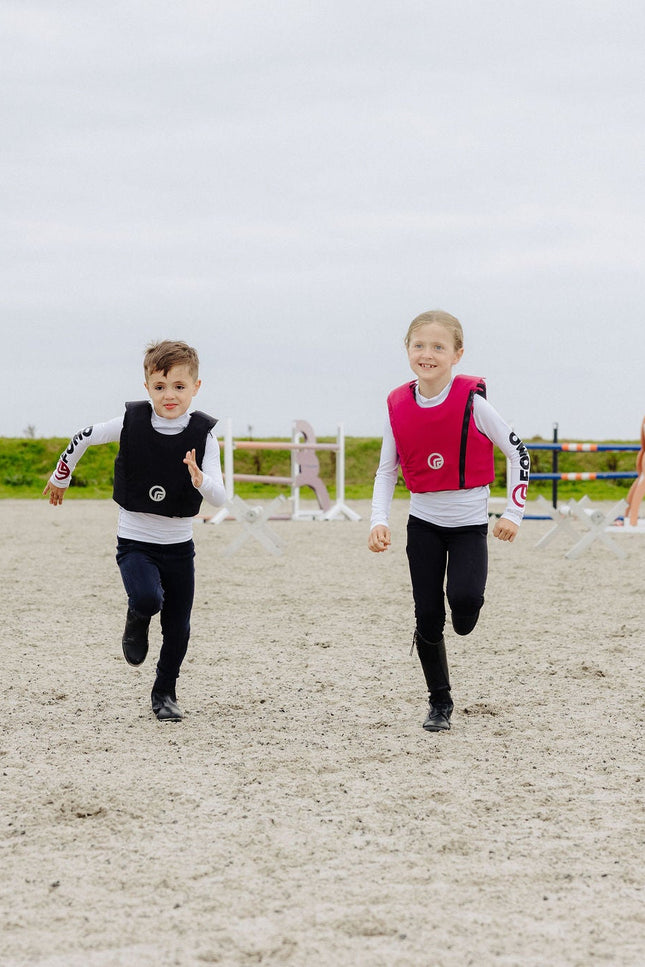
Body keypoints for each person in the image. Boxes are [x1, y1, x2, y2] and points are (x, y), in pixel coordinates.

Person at [43, 340, 227, 722]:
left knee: (178, 626)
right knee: (147, 599)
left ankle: (164, 692)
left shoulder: (204, 435)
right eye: (160, 387)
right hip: (136, 542)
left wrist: (200, 481)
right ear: (147, 388)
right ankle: (137, 617)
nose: (169, 395)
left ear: (196, 386)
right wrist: (62, 474)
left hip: (179, 548)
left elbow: (221, 499)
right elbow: (85, 435)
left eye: (179, 386)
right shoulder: (132, 422)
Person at [368, 310, 529, 733]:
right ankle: (439, 701)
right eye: (419, 345)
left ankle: (465, 610)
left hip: (469, 529)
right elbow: (387, 471)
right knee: (426, 617)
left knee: (465, 604)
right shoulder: (397, 406)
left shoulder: (474, 404)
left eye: (439, 347)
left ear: (457, 354)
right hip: (422, 526)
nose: (428, 354)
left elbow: (519, 452)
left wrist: (514, 512)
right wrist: (377, 520)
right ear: (407, 351)